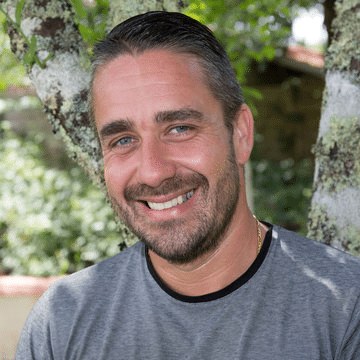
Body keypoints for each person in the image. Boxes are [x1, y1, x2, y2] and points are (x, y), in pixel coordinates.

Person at [16, 11, 360, 359]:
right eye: (122, 140)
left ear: (240, 134)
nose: (153, 172)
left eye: (179, 128)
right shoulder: (61, 324)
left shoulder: (346, 308)